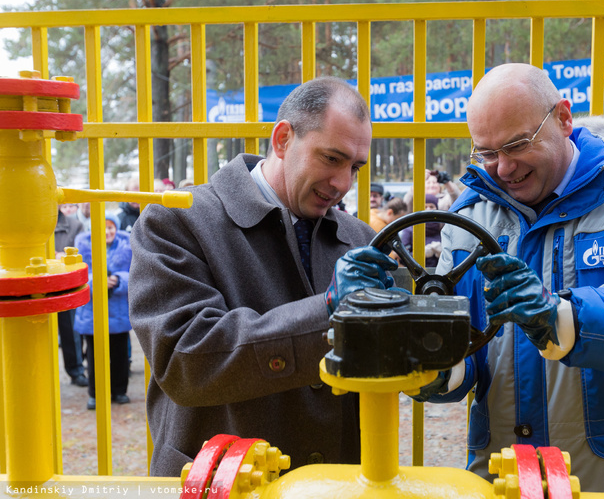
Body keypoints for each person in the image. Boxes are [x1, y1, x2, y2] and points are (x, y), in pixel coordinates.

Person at [407, 64, 604, 494]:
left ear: (563, 118)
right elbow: (460, 347)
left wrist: (564, 318)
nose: (502, 168)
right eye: (485, 152)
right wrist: (420, 358)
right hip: (506, 479)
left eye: (517, 144)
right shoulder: (468, 216)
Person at [129, 77, 395, 477]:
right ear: (283, 139)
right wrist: (328, 312)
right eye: (331, 159)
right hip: (221, 483)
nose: (343, 184)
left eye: (354, 167)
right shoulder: (176, 222)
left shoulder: (360, 238)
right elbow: (184, 361)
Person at [74, 214, 133, 410]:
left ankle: (119, 390)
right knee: (94, 356)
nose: (107, 232)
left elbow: (133, 272)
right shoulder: (83, 248)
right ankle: (96, 393)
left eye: (111, 228)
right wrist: (95, 281)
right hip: (92, 310)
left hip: (117, 309)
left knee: (120, 354)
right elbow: (79, 272)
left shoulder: (126, 248)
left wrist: (118, 279)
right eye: (103, 227)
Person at [54, 203, 88, 387]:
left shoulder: (75, 225)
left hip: (64, 287)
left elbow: (83, 254)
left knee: (71, 331)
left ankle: (76, 370)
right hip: (37, 287)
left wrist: (61, 258)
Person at [400, 194, 442, 267]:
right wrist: (420, 254)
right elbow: (401, 257)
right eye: (425, 207)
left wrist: (443, 254)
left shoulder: (442, 230)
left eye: (431, 206)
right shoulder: (409, 230)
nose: (428, 209)